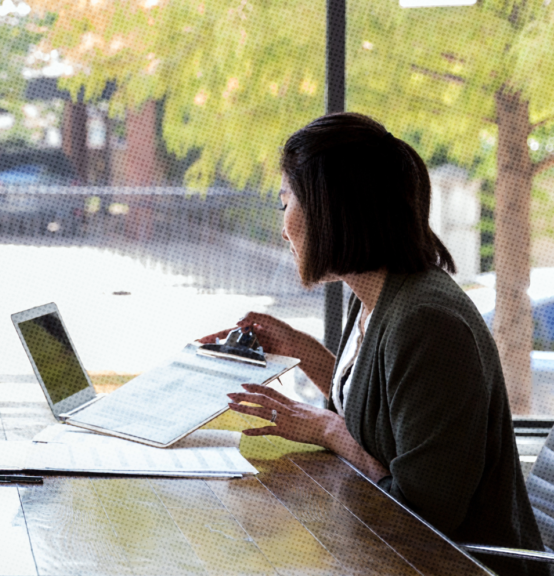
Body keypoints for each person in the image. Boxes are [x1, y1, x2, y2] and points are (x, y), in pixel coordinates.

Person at [203, 113, 547, 576]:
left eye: (286, 203)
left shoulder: (427, 322)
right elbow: (373, 417)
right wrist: (300, 349)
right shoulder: (376, 295)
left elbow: (422, 518)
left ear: (329, 210)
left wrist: (325, 430)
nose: (283, 227)